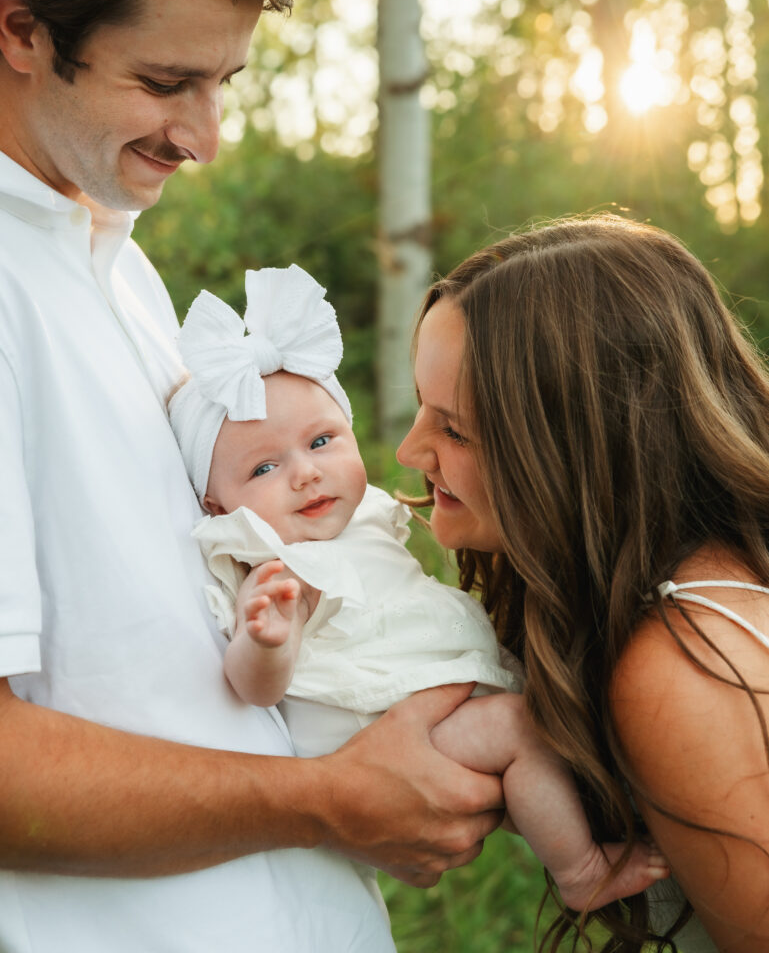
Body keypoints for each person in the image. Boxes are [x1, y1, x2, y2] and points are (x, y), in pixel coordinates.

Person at [0, 0, 504, 950]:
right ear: (18, 29)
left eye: (223, 80)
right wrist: (323, 796)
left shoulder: (119, 271)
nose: (207, 135)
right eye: (167, 81)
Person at [168, 262, 668, 913]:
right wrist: (267, 641)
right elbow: (254, 688)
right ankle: (579, 871)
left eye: (322, 441)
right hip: (364, 729)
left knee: (532, 745)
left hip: (410, 697)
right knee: (520, 732)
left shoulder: (356, 519)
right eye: (264, 466)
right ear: (216, 503)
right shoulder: (271, 566)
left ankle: (595, 820)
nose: (305, 474)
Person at [396, 213, 769, 952]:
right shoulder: (714, 575)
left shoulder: (680, 670)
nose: (411, 450)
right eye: (420, 409)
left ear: (573, 446)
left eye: (455, 429)